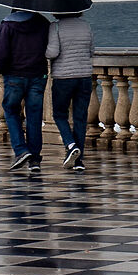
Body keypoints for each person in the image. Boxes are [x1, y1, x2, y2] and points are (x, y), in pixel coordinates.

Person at [0, 7, 49, 170]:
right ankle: (35, 159)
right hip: (38, 75)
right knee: (34, 116)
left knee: (10, 110)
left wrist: (3, 70)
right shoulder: (43, 23)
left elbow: (0, 55)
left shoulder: (6, 26)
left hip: (14, 75)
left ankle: (21, 150)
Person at [45, 9, 94, 169]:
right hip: (84, 76)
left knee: (59, 114)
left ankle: (71, 144)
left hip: (63, 77)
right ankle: (78, 162)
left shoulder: (56, 27)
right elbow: (91, 51)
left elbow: (53, 52)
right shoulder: (85, 26)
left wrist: (42, 51)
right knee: (80, 117)